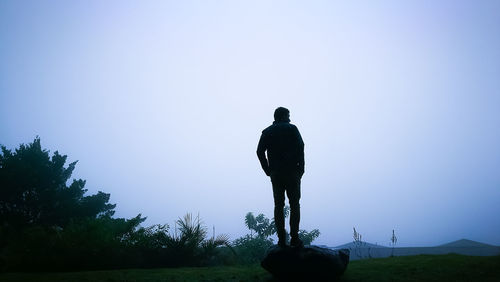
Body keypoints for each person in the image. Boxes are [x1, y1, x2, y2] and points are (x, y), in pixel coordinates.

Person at [257, 107, 305, 248]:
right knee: (294, 204)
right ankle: (295, 238)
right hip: (292, 173)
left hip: (276, 174)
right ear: (283, 116)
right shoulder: (292, 129)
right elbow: (301, 146)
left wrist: (268, 170)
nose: (289, 118)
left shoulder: (267, 132)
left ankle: (282, 240)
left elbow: (259, 151)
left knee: (279, 205)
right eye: (288, 115)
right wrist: (301, 169)